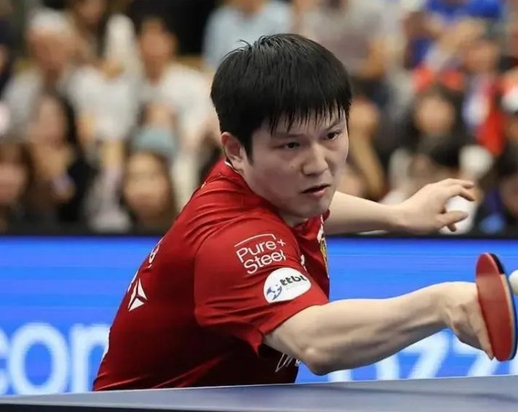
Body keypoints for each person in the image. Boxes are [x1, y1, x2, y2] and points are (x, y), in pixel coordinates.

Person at [93, 34, 493, 390]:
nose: (318, 165)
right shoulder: (231, 241)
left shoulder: (267, 183)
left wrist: (397, 216)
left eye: (331, 134)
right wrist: (440, 304)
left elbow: (313, 205)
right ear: (235, 149)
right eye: (291, 146)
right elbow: (315, 341)